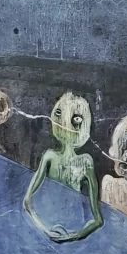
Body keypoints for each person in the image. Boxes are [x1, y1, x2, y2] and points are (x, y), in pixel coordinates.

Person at [23, 91, 104, 243]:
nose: (66, 124)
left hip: (71, 230)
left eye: (76, 118)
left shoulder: (86, 162)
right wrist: (45, 230)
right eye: (59, 114)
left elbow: (98, 220)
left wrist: (72, 236)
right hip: (47, 227)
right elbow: (27, 201)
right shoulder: (49, 157)